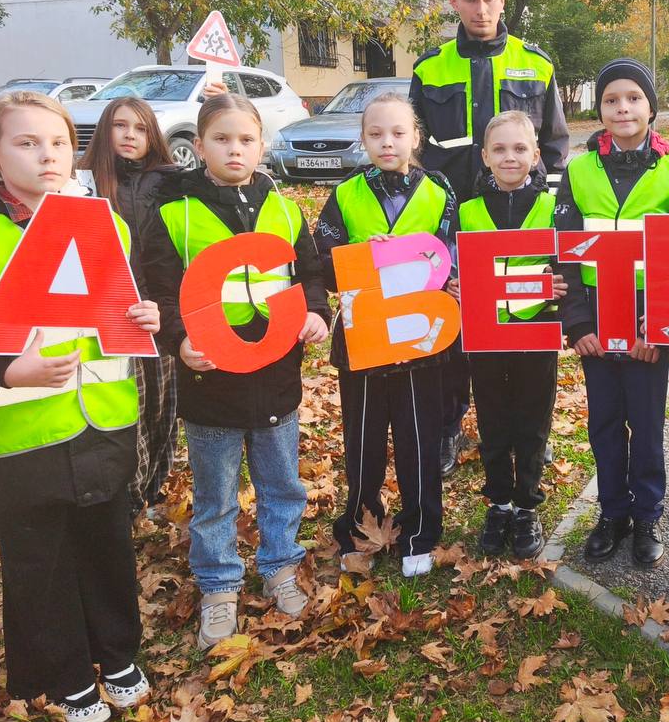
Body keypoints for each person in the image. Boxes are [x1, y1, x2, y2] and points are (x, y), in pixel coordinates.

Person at [0, 91, 160, 722]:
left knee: (106, 541)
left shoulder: (106, 225)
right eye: (26, 143)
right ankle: (65, 672)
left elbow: (116, 313)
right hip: (22, 429)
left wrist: (141, 316)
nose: (46, 156)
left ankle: (116, 652)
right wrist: (13, 371)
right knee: (41, 558)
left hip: (103, 415)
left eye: (59, 143)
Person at [141, 93, 330, 649]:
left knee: (282, 484)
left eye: (246, 139)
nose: (235, 149)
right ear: (199, 146)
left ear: (262, 146)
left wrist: (316, 311)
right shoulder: (174, 213)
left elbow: (309, 271)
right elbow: (159, 290)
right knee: (216, 494)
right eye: (222, 139)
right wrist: (180, 343)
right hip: (211, 381)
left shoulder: (285, 207)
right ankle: (220, 585)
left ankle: (278, 566)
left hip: (275, 374)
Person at [410, 0, 570, 477]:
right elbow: (416, 147)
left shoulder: (537, 63)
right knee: (457, 329)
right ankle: (452, 426)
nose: (481, 6)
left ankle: (530, 432)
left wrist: (545, 220)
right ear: (454, 1)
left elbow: (555, 147)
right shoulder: (429, 67)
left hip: (523, 218)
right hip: (455, 218)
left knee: (526, 327)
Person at [555, 58, 669, 568]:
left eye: (634, 98)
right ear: (599, 108)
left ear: (651, 108)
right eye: (612, 99)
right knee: (605, 421)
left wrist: (660, 326)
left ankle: (646, 517)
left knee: (646, 420)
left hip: (645, 320)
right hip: (596, 316)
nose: (623, 107)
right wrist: (577, 324)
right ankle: (611, 513)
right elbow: (564, 253)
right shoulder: (577, 170)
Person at [312, 92, 459, 578]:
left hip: (422, 341)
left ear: (416, 136)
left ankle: (420, 532)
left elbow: (452, 255)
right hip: (363, 339)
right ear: (363, 139)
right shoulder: (346, 193)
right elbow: (324, 260)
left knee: (419, 439)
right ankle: (360, 525)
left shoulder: (440, 190)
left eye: (398, 132)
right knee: (363, 440)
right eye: (375, 134)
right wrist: (360, 253)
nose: (387, 142)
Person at [454, 110, 567, 559]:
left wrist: (559, 281)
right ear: (484, 156)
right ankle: (499, 501)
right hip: (485, 332)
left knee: (533, 419)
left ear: (536, 155)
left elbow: (567, 263)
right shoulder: (466, 210)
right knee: (494, 418)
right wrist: (454, 280)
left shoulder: (553, 206)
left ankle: (527, 505)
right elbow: (449, 263)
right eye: (499, 149)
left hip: (535, 330)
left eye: (520, 148)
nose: (509, 157)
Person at [79, 97, 180, 514]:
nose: (130, 136)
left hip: (159, 307)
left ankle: (153, 490)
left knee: (162, 408)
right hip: (111, 313)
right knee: (129, 409)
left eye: (140, 128)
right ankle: (130, 496)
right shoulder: (84, 183)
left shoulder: (171, 180)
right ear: (106, 130)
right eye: (121, 126)